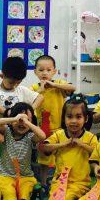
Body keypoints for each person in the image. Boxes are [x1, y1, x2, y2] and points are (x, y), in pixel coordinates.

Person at [40, 98, 97, 200]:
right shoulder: (59, 134)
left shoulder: (90, 137)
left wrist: (81, 144)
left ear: (86, 119)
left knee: (67, 199)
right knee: (54, 197)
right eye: (69, 116)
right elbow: (44, 147)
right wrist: (63, 144)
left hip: (80, 183)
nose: (73, 121)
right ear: (64, 118)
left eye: (78, 117)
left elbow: (97, 153)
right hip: (59, 181)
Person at [0, 103, 46, 200]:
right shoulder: (7, 132)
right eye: (20, 120)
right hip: (5, 175)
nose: (22, 123)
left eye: (27, 119)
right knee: (9, 195)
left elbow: (42, 136)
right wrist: (14, 119)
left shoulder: (30, 136)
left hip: (25, 176)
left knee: (24, 196)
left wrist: (28, 122)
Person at [31, 55, 75, 185]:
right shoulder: (34, 88)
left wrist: (54, 85)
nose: (45, 73)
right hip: (43, 130)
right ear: (35, 72)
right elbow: (29, 102)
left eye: (48, 70)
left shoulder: (59, 85)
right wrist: (41, 90)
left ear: (54, 71)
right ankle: (44, 183)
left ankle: (61, 181)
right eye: (41, 70)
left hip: (60, 128)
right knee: (44, 159)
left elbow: (73, 88)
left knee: (61, 156)